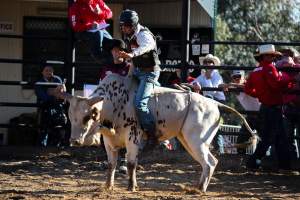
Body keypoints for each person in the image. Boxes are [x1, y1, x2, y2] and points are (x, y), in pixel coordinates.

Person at [244, 44, 297, 171]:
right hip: (274, 108)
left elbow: (247, 89)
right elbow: (276, 85)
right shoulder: (269, 68)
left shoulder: (255, 71)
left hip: (266, 107)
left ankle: (277, 165)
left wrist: (260, 95)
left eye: (273, 55)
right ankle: (257, 163)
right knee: (275, 138)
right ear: (264, 56)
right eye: (270, 55)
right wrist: (290, 81)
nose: (273, 57)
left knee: (274, 137)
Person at [118, 9, 161, 151]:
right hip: (137, 71)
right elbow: (135, 60)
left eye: (126, 25)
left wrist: (131, 54)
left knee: (139, 104)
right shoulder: (129, 36)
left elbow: (146, 48)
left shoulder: (144, 35)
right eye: (122, 25)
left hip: (149, 73)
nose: (123, 28)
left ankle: (152, 135)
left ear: (133, 25)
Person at [191, 54, 226, 154]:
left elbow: (213, 91)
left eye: (209, 62)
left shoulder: (216, 75)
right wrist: (195, 84)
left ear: (213, 64)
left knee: (216, 125)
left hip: (218, 102)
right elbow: (194, 82)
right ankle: (215, 149)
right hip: (209, 102)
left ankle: (219, 150)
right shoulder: (202, 76)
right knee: (210, 125)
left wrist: (207, 79)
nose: (207, 64)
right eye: (205, 62)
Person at [219, 70, 261, 154]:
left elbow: (244, 87)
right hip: (251, 116)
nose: (237, 78)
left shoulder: (247, 84)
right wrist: (224, 85)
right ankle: (241, 160)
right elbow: (220, 86)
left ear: (244, 78)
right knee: (241, 139)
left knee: (264, 140)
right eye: (235, 77)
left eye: (239, 76)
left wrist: (229, 84)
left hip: (261, 115)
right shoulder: (236, 88)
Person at [35, 64, 67, 147]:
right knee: (43, 128)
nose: (49, 72)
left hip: (57, 107)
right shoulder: (39, 82)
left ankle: (56, 147)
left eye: (51, 70)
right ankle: (42, 147)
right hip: (44, 107)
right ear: (42, 72)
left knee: (58, 127)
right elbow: (43, 96)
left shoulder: (57, 79)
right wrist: (55, 94)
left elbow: (62, 93)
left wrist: (51, 93)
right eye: (46, 70)